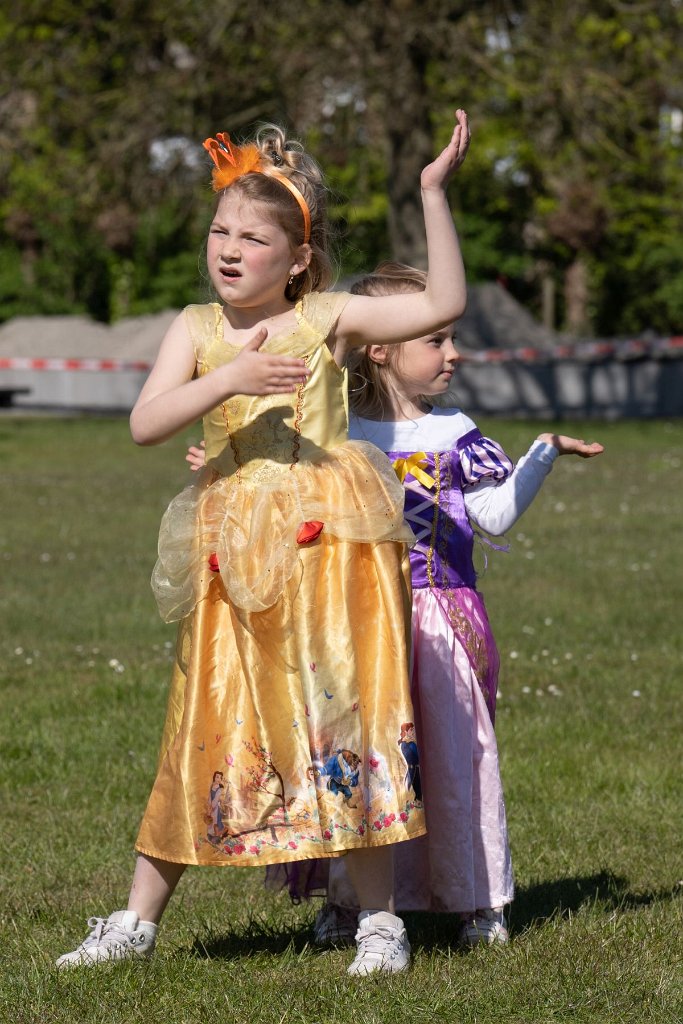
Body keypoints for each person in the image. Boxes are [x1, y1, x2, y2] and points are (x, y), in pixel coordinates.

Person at [56, 111, 472, 975]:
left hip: (330, 557)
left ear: (297, 259)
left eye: (253, 236)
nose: (229, 247)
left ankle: (379, 922)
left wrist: (431, 192)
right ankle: (134, 922)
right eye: (219, 230)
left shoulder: (327, 317)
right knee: (205, 723)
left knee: (343, 722)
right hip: (233, 557)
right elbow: (143, 423)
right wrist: (234, 375)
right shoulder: (196, 327)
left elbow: (441, 305)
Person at [304, 260, 604, 949]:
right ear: (382, 346)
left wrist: (542, 453)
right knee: (362, 763)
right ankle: (353, 903)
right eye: (435, 339)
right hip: (361, 626)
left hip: (439, 621)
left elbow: (493, 517)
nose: (453, 353)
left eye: (451, 338)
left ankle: (479, 902)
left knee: (455, 761)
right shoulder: (338, 438)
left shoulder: (457, 435)